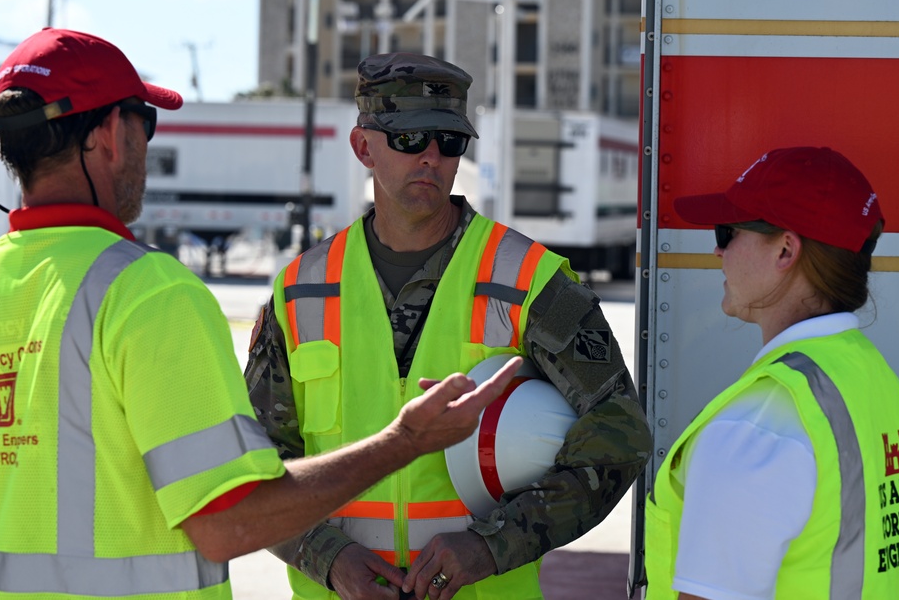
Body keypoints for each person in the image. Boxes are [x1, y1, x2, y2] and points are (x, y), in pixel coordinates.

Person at [0, 28, 525, 600]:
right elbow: (230, 523)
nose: (145, 143)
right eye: (143, 122)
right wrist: (404, 440)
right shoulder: (146, 294)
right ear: (108, 136)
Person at [244, 51, 653, 600]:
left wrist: (494, 545)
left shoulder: (530, 281)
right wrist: (330, 559)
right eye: (410, 140)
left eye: (449, 141)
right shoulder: (299, 291)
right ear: (363, 146)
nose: (431, 158)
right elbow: (255, 465)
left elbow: (620, 434)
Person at [644, 146, 899, 599]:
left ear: (785, 250)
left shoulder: (755, 430)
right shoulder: (881, 388)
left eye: (728, 232)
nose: (717, 250)